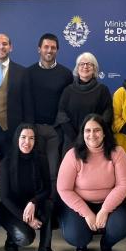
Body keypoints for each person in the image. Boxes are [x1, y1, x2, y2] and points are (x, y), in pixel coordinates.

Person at [57, 114, 126, 251]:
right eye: (88, 131)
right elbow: (63, 189)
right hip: (80, 204)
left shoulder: (117, 152)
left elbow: (124, 184)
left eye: (97, 130)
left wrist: (105, 210)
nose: (92, 135)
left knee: (123, 224)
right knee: (75, 235)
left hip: (109, 202)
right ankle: (82, 244)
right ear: (82, 133)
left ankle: (106, 244)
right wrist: (86, 213)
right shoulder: (73, 155)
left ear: (104, 133)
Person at [0, 124, 59, 251]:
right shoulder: (6, 163)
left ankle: (45, 248)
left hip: (33, 205)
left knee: (49, 204)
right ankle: (11, 237)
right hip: (12, 209)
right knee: (26, 237)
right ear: (16, 139)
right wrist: (27, 219)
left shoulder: (41, 159)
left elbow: (47, 189)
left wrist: (34, 201)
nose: (27, 142)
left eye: (31, 138)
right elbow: (5, 198)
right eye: (23, 137)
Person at [27, 33, 73, 193]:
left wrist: (61, 126)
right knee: (35, 172)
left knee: (54, 172)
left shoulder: (66, 74)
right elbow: (26, 102)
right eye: (46, 47)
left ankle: (53, 209)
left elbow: (68, 104)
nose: (49, 50)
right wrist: (30, 127)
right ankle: (35, 207)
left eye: (53, 47)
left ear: (57, 50)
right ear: (39, 49)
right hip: (35, 130)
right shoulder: (29, 73)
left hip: (56, 130)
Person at [56, 52, 113, 151]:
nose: (85, 66)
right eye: (82, 64)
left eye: (89, 64)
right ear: (77, 68)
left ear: (94, 69)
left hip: (95, 140)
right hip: (71, 140)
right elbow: (62, 114)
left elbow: (107, 113)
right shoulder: (68, 90)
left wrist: (93, 133)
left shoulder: (102, 90)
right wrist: (76, 137)